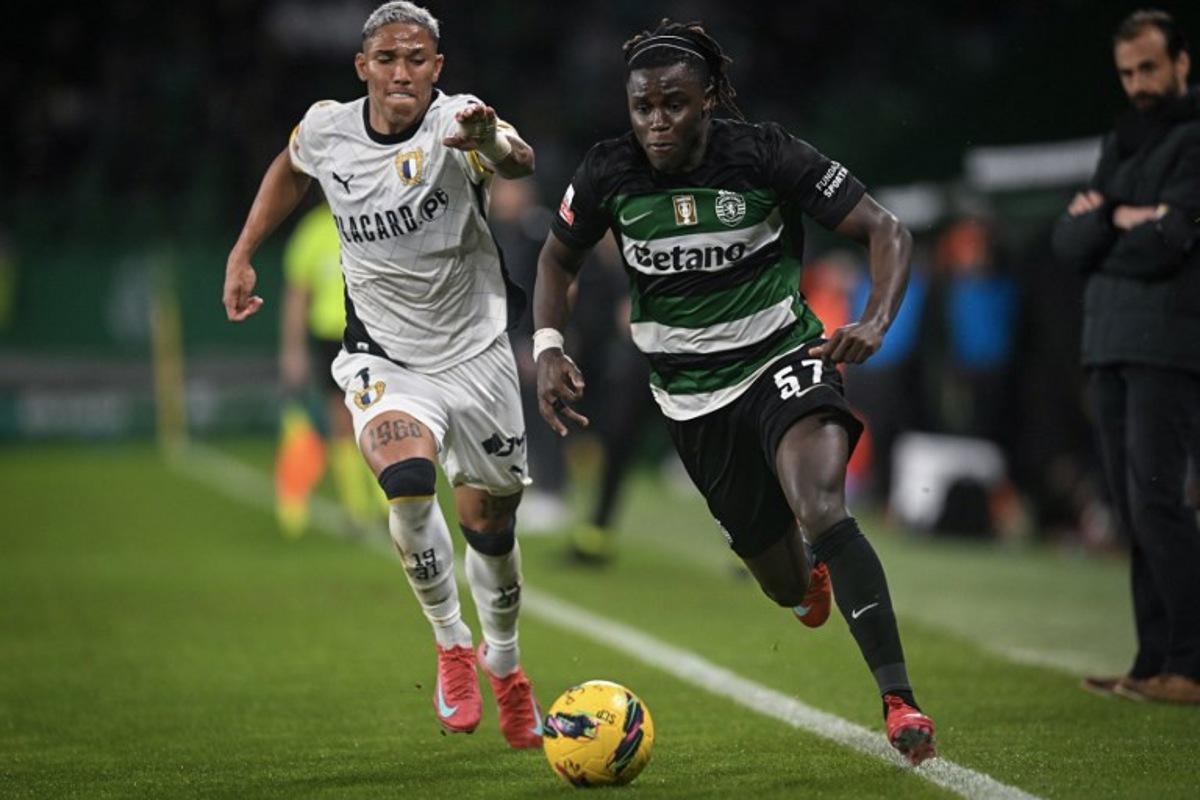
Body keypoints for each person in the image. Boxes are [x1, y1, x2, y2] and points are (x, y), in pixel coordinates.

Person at [533, 20, 937, 764]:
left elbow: (887, 231)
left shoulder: (765, 153)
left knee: (822, 506)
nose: (657, 121)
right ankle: (805, 579)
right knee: (785, 587)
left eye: (675, 104)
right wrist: (549, 347)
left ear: (711, 99)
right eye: (643, 107)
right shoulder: (606, 172)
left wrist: (875, 321)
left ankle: (899, 699)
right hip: (690, 400)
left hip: (782, 358)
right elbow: (557, 263)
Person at [222, 1, 544, 747]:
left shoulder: (458, 121)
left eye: (419, 60)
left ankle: (507, 665)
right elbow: (290, 167)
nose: (403, 72)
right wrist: (243, 251)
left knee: (489, 528)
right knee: (405, 481)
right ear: (362, 66)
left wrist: (488, 136)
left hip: (477, 355)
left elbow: (518, 159)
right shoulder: (328, 128)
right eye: (389, 59)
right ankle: (452, 645)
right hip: (383, 355)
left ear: (438, 69)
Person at [1052, 9, 1200, 705]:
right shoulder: (1122, 140)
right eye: (1127, 72)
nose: (1138, 83)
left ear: (1182, 63)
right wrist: (1122, 219)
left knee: (1157, 501)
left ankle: (1192, 662)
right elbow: (1068, 242)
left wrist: (1107, 219)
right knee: (1131, 506)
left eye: (1149, 68)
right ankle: (1152, 662)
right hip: (1107, 341)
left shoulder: (1193, 139)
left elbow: (1171, 242)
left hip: (1167, 344)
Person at [275, 202, 383, 536]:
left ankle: (389, 504)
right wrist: (292, 350)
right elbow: (297, 294)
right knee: (341, 422)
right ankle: (357, 510)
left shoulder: (374, 219)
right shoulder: (313, 230)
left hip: (371, 331)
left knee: (378, 417)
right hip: (329, 337)